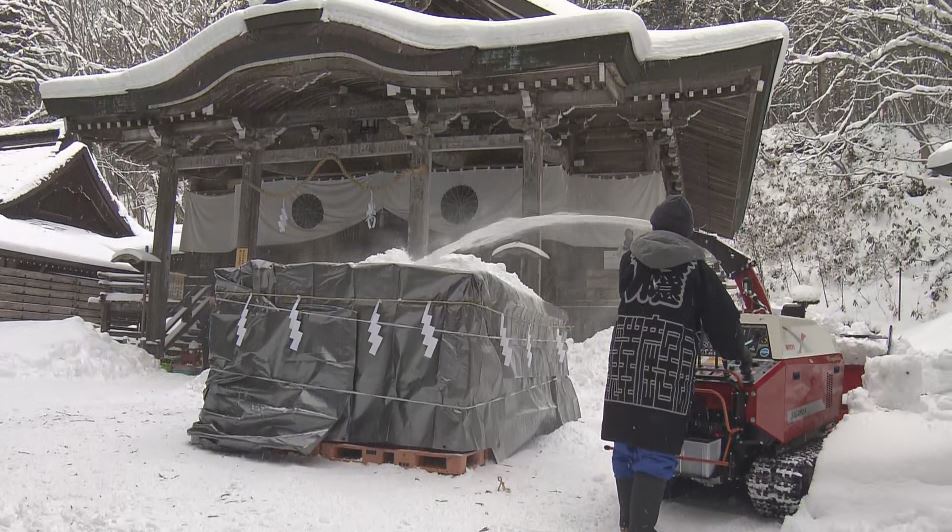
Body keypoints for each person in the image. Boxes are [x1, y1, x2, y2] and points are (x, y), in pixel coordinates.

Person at [602, 195, 752, 532]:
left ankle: (628, 524)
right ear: (687, 234)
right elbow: (725, 322)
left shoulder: (630, 262)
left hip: (626, 367)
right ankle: (640, 528)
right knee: (655, 448)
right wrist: (739, 359)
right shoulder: (697, 271)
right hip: (666, 370)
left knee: (627, 442)